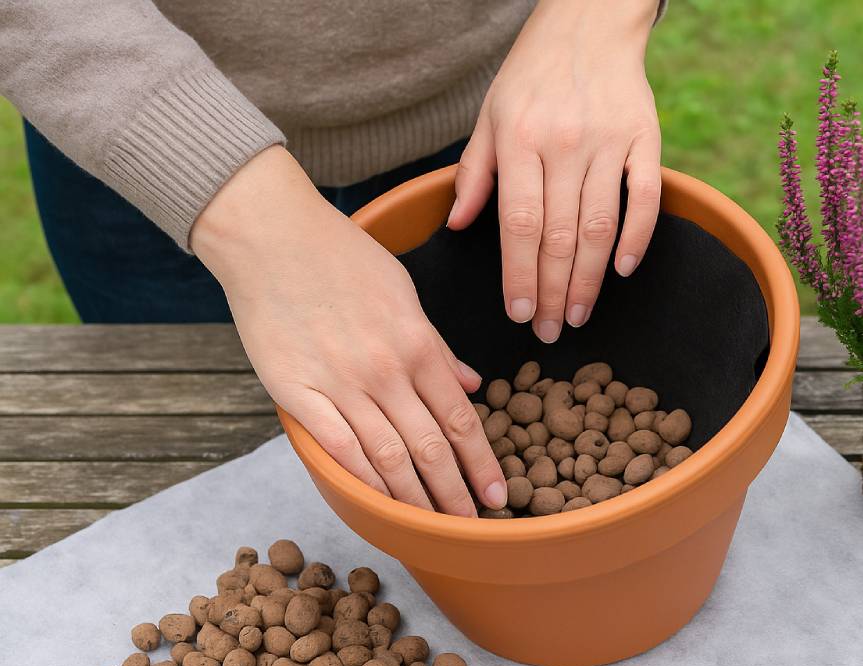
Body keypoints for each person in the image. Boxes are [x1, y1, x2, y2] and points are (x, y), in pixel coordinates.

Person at [1, 0, 665, 517]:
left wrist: (592, 18)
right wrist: (246, 218)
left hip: (515, 107)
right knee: (189, 452)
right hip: (135, 120)